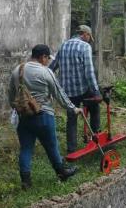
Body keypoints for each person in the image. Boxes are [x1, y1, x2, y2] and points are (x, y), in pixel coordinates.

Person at [9, 44, 82, 190]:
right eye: (47, 58)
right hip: (43, 116)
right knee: (51, 145)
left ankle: (26, 181)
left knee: (26, 148)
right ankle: (62, 172)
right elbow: (59, 93)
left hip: (24, 117)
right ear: (43, 57)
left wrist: (17, 109)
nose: (48, 61)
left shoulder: (17, 71)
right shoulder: (46, 72)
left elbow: (11, 95)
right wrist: (73, 108)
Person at [49, 25, 101, 154]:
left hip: (67, 91)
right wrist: (96, 91)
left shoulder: (63, 46)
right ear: (85, 35)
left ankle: (71, 149)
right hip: (82, 89)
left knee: (71, 118)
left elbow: (52, 67)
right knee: (95, 107)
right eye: (89, 38)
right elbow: (89, 71)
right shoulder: (85, 47)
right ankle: (95, 139)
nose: (89, 41)